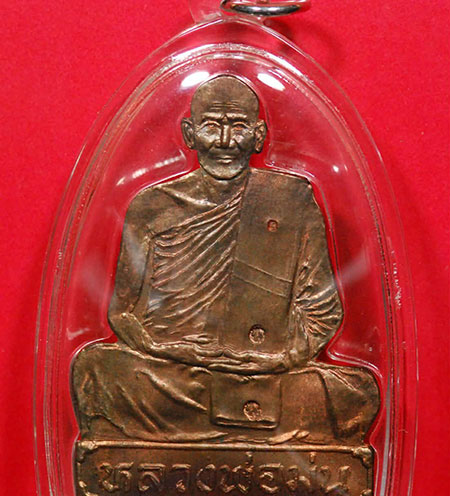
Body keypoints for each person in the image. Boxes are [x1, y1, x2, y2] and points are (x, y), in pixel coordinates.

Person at [72, 75, 379, 445]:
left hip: (265, 374)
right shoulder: (152, 206)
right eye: (211, 126)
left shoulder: (289, 200)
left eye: (238, 127)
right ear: (189, 134)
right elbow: (122, 314)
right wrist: (169, 350)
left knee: (355, 393)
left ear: (259, 136)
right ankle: (234, 431)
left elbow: (322, 314)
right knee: (96, 369)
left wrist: (274, 358)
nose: (224, 142)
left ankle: (196, 429)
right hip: (170, 371)